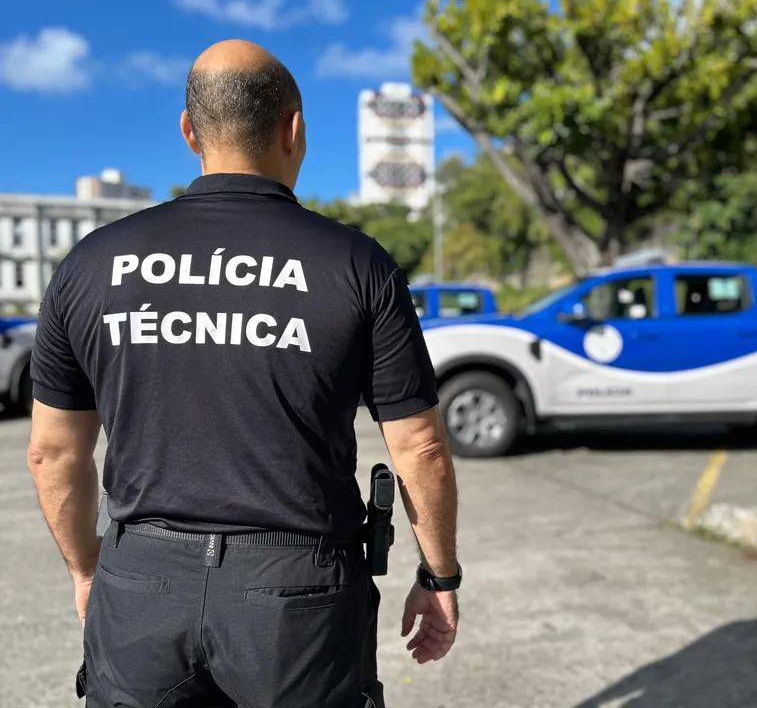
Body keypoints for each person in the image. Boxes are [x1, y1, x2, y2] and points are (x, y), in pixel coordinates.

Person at [26, 39, 460, 708]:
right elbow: (420, 446)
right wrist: (438, 574)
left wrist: (91, 570)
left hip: (140, 581)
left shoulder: (90, 266)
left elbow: (52, 451)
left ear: (188, 131)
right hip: (298, 598)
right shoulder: (355, 264)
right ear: (294, 129)